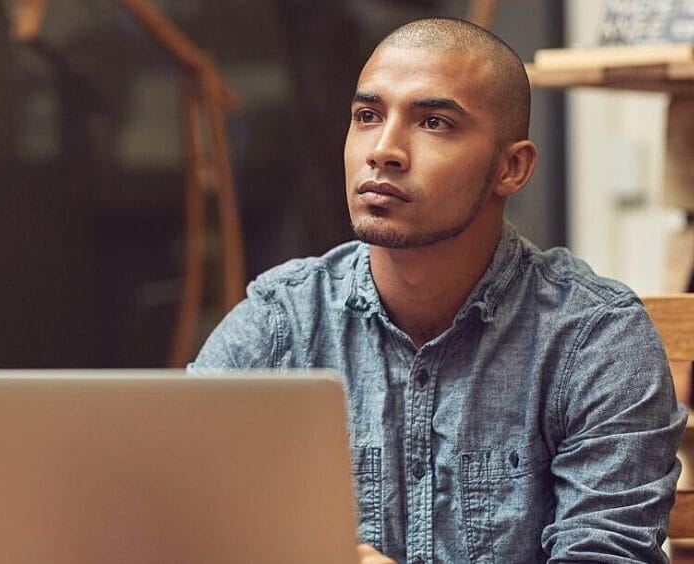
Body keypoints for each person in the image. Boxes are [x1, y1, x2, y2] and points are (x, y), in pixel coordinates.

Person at [190, 17, 687, 564]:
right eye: (367, 116)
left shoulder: (593, 340)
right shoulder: (281, 325)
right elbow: (173, 511)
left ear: (512, 167)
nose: (383, 150)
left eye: (432, 122)